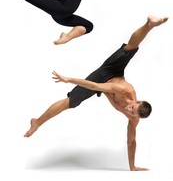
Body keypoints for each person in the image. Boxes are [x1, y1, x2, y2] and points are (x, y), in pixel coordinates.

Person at [24, 16, 168, 171]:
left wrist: (132, 166)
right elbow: (94, 85)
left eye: (132, 113)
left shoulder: (134, 119)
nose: (129, 111)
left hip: (106, 85)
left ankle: (38, 122)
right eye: (132, 108)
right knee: (129, 49)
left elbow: (131, 141)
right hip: (109, 72)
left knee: (73, 103)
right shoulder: (124, 91)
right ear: (135, 101)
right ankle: (149, 24)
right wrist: (68, 79)